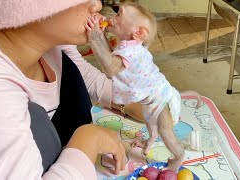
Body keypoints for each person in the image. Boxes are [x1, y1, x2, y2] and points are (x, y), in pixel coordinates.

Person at [0, 0, 143, 179]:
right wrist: (89, 141)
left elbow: (80, 73)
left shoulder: (47, 42)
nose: (96, 5)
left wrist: (129, 103)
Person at [85, 1, 202, 172]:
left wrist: (95, 36)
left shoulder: (132, 52)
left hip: (162, 99)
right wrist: (100, 34)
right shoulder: (128, 46)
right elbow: (110, 59)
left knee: (164, 131)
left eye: (119, 15)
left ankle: (178, 155)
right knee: (150, 122)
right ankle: (148, 142)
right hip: (154, 97)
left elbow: (110, 68)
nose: (112, 18)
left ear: (138, 32)